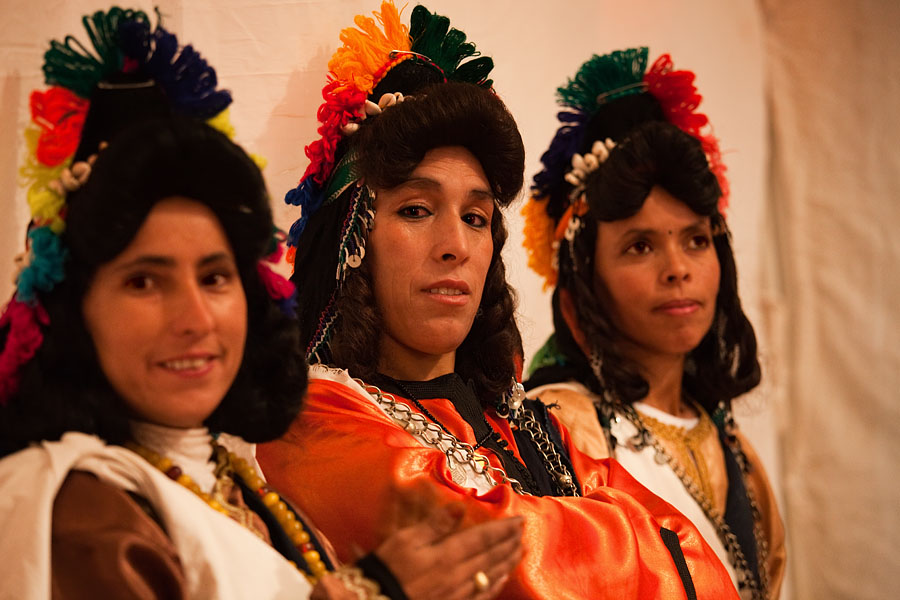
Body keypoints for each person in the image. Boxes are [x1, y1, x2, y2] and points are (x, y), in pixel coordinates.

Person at [0, 8, 523, 598]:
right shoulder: (73, 508)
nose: (194, 319)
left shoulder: (235, 483)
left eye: (216, 277)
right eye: (145, 282)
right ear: (70, 305)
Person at [258, 4, 739, 598]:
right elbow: (501, 557)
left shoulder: (529, 424)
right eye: (416, 210)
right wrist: (633, 535)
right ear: (354, 237)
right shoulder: (315, 419)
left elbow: (695, 552)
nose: (455, 246)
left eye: (477, 217)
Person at [520, 47, 786, 598]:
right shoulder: (561, 431)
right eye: (640, 246)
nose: (678, 270)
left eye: (696, 240)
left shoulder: (733, 447)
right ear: (585, 284)